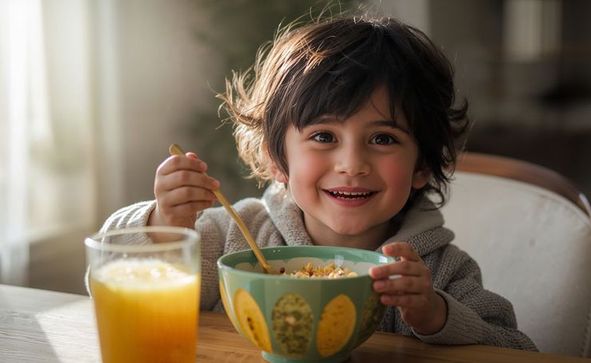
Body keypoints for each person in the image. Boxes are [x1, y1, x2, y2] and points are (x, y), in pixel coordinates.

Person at [102, 14, 537, 350]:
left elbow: (519, 349)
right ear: (276, 160)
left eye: (383, 138)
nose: (352, 164)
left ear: (422, 165)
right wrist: (163, 224)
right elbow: (107, 274)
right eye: (323, 137)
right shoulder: (231, 238)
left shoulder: (438, 270)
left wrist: (435, 315)